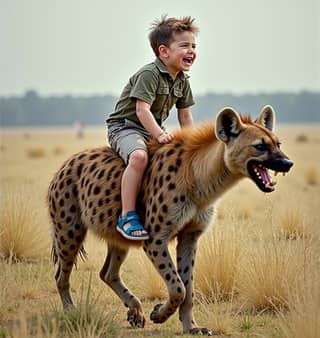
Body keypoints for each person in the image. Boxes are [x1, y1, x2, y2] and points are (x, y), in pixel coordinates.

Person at [106, 16, 198, 240]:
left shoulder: (183, 81)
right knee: (139, 157)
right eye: (184, 46)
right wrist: (159, 134)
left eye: (194, 46)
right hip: (126, 128)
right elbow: (142, 111)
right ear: (164, 51)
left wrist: (193, 144)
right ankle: (127, 216)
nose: (191, 51)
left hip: (151, 130)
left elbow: (185, 116)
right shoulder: (150, 74)